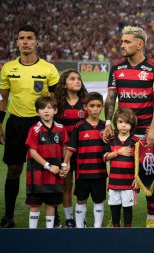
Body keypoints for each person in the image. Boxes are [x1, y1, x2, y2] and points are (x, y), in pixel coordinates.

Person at [0, 25, 60, 228]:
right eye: (21, 38)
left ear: (37, 42)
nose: (25, 41)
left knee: (47, 169)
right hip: (15, 123)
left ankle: (54, 214)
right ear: (16, 42)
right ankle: (9, 216)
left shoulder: (48, 69)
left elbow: (54, 99)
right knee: (14, 169)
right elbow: (3, 99)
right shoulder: (7, 68)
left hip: (41, 125)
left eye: (29, 38)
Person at [104, 26, 154, 228]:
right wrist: (107, 123)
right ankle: (116, 218)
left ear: (140, 44)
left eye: (127, 42)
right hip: (122, 132)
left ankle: (151, 218)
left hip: (146, 131)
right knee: (120, 174)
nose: (122, 45)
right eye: (122, 41)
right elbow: (111, 97)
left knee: (149, 174)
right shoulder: (117, 68)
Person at [63, 92, 107, 228]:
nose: (95, 109)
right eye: (92, 106)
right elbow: (71, 147)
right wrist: (65, 163)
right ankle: (80, 227)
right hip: (83, 173)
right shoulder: (79, 126)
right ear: (85, 107)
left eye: (98, 106)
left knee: (98, 200)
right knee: (81, 199)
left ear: (102, 107)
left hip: (100, 172)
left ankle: (97, 227)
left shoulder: (105, 127)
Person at [25, 96, 68, 228]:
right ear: (37, 112)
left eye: (49, 107)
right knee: (35, 204)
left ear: (55, 110)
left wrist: (65, 165)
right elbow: (32, 152)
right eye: (42, 108)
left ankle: (49, 232)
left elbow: (65, 148)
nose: (46, 111)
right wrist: (48, 166)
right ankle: (32, 232)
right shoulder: (34, 129)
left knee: (51, 204)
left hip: (54, 174)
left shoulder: (61, 128)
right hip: (37, 174)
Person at [55, 69, 88, 228]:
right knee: (66, 184)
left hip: (83, 152)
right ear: (64, 83)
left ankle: (81, 217)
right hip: (64, 152)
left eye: (79, 79)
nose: (77, 81)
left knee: (81, 185)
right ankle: (69, 219)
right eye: (72, 79)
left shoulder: (85, 102)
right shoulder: (58, 104)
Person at [104, 108, 139, 227]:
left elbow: (138, 162)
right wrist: (118, 152)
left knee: (127, 208)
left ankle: (127, 230)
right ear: (116, 123)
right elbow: (104, 157)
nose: (124, 125)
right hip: (114, 182)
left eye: (127, 123)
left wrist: (137, 178)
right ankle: (116, 228)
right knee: (114, 207)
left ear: (132, 124)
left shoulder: (135, 141)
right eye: (120, 122)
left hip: (129, 182)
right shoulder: (111, 139)